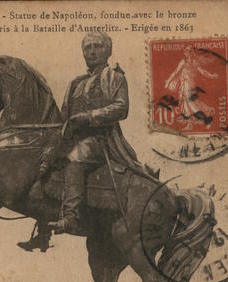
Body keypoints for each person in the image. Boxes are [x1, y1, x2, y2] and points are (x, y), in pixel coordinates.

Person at [19, 32, 147, 251]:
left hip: (100, 139)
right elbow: (64, 116)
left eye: (98, 46)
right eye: (88, 48)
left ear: (107, 50)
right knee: (45, 164)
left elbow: (121, 108)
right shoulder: (75, 82)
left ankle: (71, 217)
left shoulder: (114, 76)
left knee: (75, 157)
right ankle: (42, 232)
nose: (93, 51)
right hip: (73, 137)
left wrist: (88, 117)